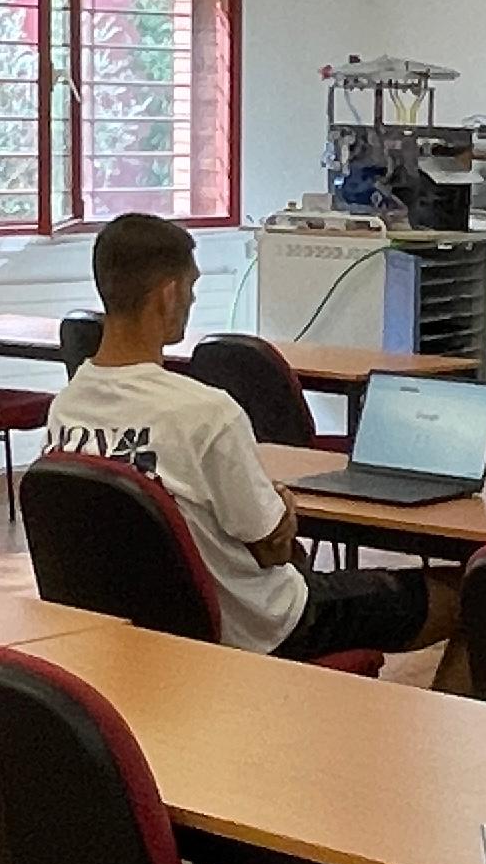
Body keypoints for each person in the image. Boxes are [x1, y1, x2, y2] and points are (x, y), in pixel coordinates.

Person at [43, 213, 454, 662]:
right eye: (192, 288)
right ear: (170, 294)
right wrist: (281, 511)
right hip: (262, 628)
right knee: (469, 595)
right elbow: (271, 547)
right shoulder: (205, 413)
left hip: (142, 631)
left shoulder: (67, 406)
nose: (192, 299)